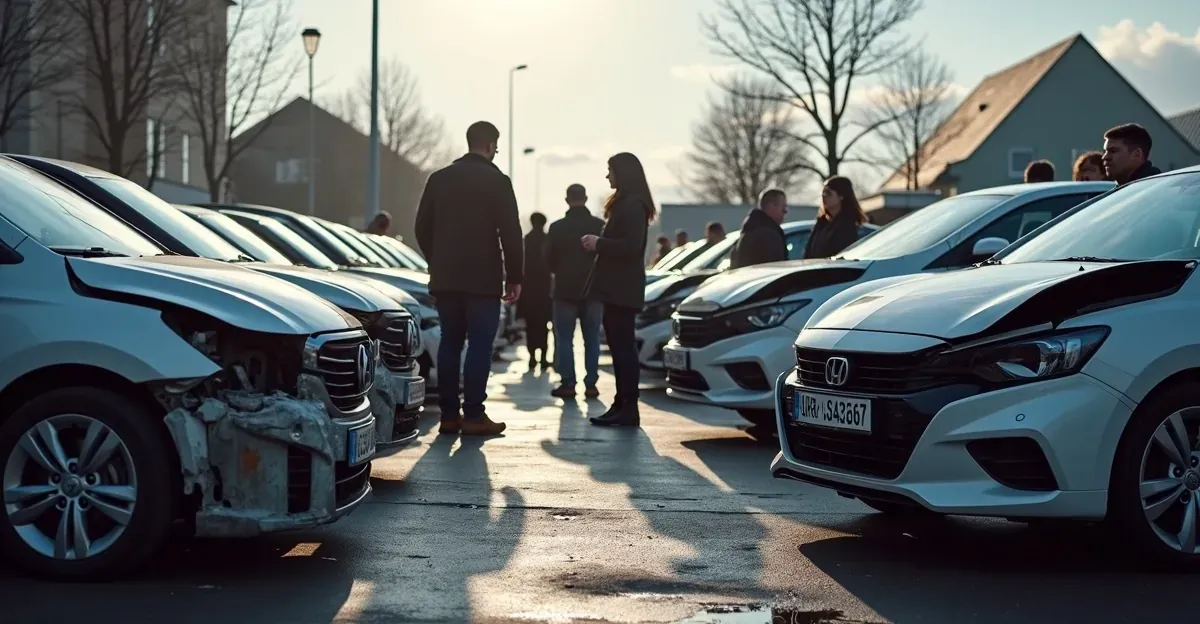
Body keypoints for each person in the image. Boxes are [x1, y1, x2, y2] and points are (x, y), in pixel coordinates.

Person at [414, 120, 523, 436]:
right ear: (490, 145)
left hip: (446, 278)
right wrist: (515, 276)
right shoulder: (497, 180)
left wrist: (438, 260)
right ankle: (474, 415)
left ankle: (448, 416)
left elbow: (422, 227)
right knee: (479, 344)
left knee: (450, 341)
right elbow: (511, 232)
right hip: (483, 278)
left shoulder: (439, 178)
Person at [581, 153, 654, 427]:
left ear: (623, 173)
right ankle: (621, 403)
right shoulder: (628, 203)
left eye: (610, 170)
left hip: (622, 289)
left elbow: (631, 246)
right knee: (618, 346)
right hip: (618, 288)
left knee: (623, 348)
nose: (607, 176)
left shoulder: (632, 205)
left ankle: (628, 407)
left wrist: (598, 243)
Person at [546, 184, 605, 399]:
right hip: (594, 290)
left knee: (564, 338)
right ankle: (591, 384)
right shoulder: (599, 226)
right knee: (592, 338)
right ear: (586, 198)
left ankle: (568, 383)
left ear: (566, 199)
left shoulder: (557, 228)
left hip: (564, 290)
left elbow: (549, 260)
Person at [804, 176, 866, 259]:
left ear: (841, 196)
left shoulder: (847, 226)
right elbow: (809, 252)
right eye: (823, 193)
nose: (824, 196)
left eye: (828, 193)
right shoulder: (821, 223)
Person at [520, 212, 552, 370]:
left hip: (529, 290)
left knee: (530, 326)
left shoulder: (526, 240)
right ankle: (544, 358)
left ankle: (532, 357)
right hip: (545, 290)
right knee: (544, 326)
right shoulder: (547, 239)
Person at [730, 189, 787, 268]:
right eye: (783, 207)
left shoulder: (749, 230)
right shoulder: (768, 236)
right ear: (771, 206)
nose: (785, 211)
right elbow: (775, 271)